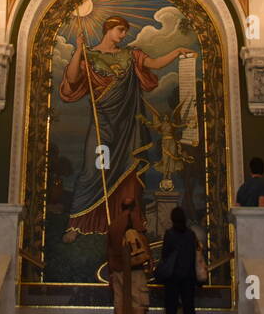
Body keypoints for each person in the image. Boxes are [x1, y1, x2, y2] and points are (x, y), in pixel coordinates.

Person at [60, 15, 195, 241]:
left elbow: (155, 64)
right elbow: (72, 79)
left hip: (127, 129)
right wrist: (78, 50)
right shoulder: (90, 56)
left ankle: (129, 223)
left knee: (128, 173)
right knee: (93, 170)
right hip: (102, 127)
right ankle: (78, 222)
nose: (123, 35)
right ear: (108, 28)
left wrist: (176, 51)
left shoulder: (130, 56)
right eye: (120, 30)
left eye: (125, 31)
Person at [105, 195, 150, 314]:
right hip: (134, 268)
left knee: (119, 303)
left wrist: (111, 272)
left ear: (121, 207)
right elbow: (143, 241)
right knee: (139, 301)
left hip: (117, 268)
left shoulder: (113, 224)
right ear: (134, 207)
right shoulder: (134, 219)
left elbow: (108, 249)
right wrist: (150, 260)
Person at [159, 206, 198, 314]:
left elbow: (164, 255)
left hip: (172, 276)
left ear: (172, 219)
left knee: (171, 307)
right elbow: (194, 254)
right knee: (189, 307)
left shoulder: (169, 234)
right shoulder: (191, 235)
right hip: (188, 276)